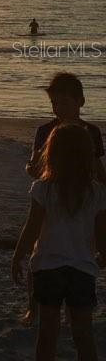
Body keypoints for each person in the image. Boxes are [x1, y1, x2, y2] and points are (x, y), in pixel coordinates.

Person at [12, 124, 106, 361]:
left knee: (48, 333)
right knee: (83, 334)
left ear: (51, 155)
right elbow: (102, 234)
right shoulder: (97, 192)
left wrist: (19, 255)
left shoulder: (43, 188)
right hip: (81, 270)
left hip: (48, 267)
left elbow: (32, 228)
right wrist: (103, 255)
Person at [21, 72, 106, 325]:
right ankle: (33, 308)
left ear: (80, 101)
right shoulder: (45, 130)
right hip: (52, 198)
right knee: (40, 251)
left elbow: (98, 168)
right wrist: (30, 169)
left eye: (65, 103)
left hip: (83, 198)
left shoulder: (91, 132)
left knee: (81, 250)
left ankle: (73, 309)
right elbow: (36, 166)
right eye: (55, 104)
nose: (59, 109)